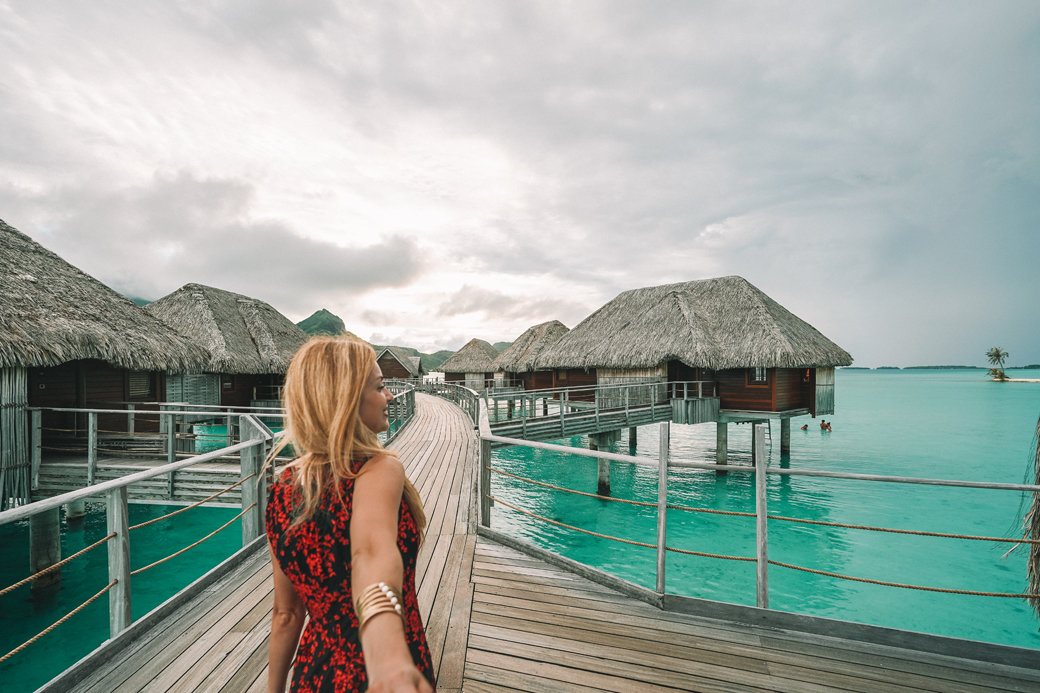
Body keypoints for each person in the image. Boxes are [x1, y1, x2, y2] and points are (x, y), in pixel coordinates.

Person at [265, 337, 435, 692]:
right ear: (345, 401)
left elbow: (287, 615)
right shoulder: (378, 469)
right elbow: (370, 553)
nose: (389, 397)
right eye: (380, 386)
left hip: (317, 672)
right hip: (382, 667)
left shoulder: (283, 489)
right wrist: (388, 659)